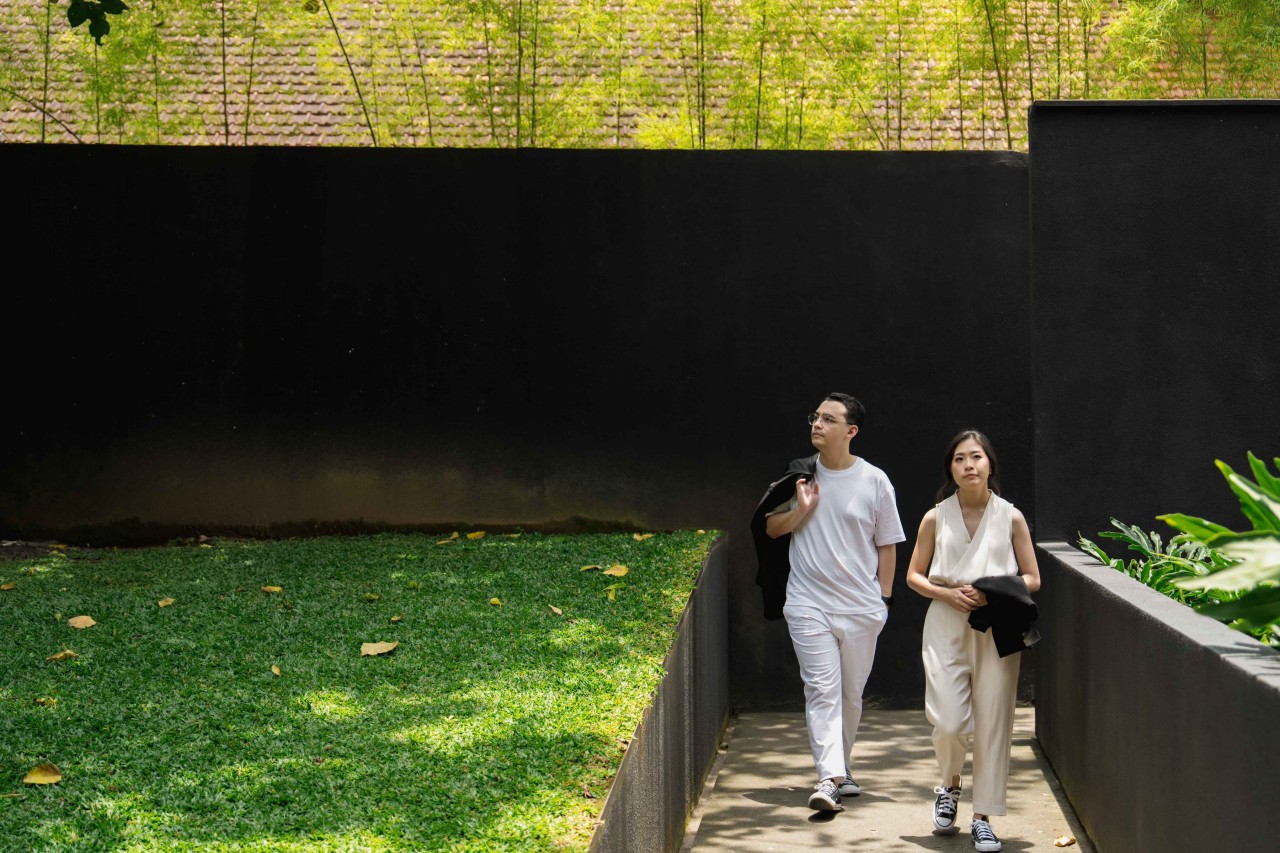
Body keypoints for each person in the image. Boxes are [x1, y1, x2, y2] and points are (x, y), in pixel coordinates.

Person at [750, 392, 905, 812]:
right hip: (807, 603)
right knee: (822, 689)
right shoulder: (799, 476)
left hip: (861, 607)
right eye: (815, 417)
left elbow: (887, 544)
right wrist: (801, 509)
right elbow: (771, 529)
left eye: (828, 419)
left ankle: (841, 769)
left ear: (851, 430)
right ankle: (829, 778)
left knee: (850, 695)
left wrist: (884, 599)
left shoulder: (874, 480)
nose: (817, 424)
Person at [904, 430, 1041, 853]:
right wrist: (946, 594)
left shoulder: (1011, 517)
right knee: (948, 721)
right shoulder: (935, 518)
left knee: (995, 720)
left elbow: (1033, 577)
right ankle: (949, 785)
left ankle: (983, 818)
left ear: (989, 464)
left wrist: (993, 591)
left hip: (996, 624)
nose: (969, 465)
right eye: (960, 458)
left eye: (976, 457)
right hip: (945, 622)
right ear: (951, 468)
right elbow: (913, 576)